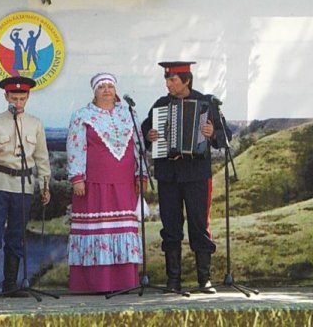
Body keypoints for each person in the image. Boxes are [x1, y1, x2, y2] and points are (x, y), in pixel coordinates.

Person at [141, 61, 231, 294]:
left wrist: (213, 135)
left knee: (199, 225)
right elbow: (145, 130)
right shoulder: (161, 105)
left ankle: (204, 279)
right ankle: (174, 280)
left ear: (186, 81)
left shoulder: (206, 103)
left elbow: (226, 135)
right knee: (170, 226)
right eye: (167, 79)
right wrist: (150, 135)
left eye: (172, 80)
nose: (168, 84)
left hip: (197, 175)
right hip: (168, 175)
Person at [66, 72, 146, 293]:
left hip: (123, 184)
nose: (107, 90)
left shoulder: (129, 114)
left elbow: (138, 146)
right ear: (94, 91)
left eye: (110, 86)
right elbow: (75, 147)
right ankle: (94, 283)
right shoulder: (82, 115)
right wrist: (77, 177)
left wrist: (142, 174)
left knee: (122, 229)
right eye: (102, 87)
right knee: (97, 230)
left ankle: (125, 282)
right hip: (94, 184)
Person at [0, 76, 52, 300]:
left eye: (22, 98)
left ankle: (11, 285)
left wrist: (45, 184)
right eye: (14, 98)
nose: (18, 102)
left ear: (28, 97)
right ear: (5, 96)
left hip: (24, 185)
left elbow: (42, 157)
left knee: (17, 236)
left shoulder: (35, 123)